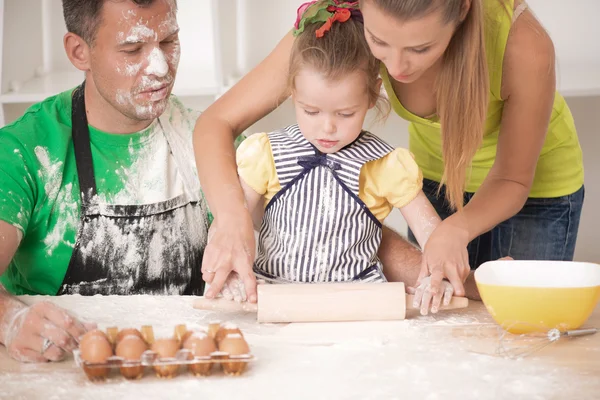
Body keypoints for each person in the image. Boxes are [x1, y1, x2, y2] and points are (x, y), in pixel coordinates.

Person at [193, 0, 583, 303]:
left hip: (533, 192)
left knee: (523, 332)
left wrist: (457, 229)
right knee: (445, 323)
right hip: (439, 178)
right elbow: (215, 124)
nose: (395, 66)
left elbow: (512, 178)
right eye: (379, 42)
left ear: (461, 11)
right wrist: (230, 218)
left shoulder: (523, 45)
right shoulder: (340, 21)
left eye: (420, 47)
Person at [0, 0, 209, 363]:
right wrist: (8, 320)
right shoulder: (27, 152)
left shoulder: (208, 140)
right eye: (133, 49)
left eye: (169, 42)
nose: (160, 68)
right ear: (79, 51)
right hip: (66, 377)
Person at [234, 1, 458, 313]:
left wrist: (436, 275)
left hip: (359, 305)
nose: (327, 127)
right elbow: (235, 228)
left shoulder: (384, 166)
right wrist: (234, 271)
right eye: (311, 111)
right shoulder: (267, 154)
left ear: (372, 95)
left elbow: (433, 235)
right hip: (276, 299)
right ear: (293, 93)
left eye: (345, 113)